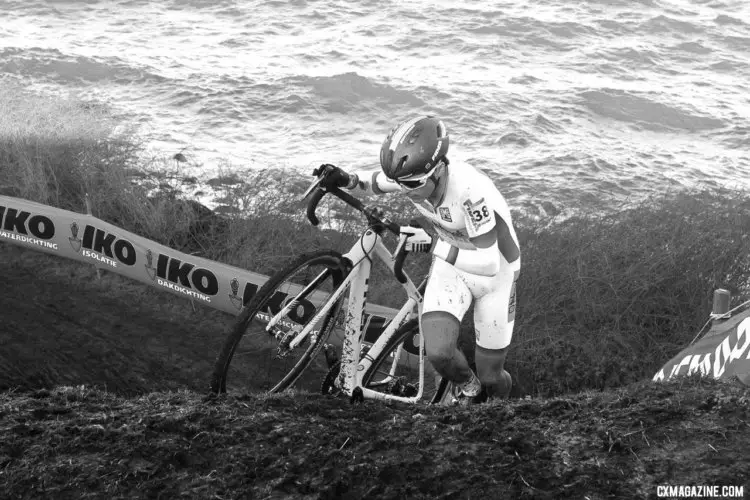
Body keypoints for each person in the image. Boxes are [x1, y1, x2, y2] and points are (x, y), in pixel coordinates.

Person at [315, 116, 521, 404]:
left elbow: (489, 264)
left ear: (438, 170)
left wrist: (435, 245)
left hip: (494, 276)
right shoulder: (413, 178)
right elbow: (375, 182)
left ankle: (501, 404)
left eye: (410, 184)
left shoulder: (471, 194)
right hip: (452, 265)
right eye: (401, 183)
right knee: (439, 353)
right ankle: (469, 390)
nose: (404, 189)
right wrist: (346, 179)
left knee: (492, 376)